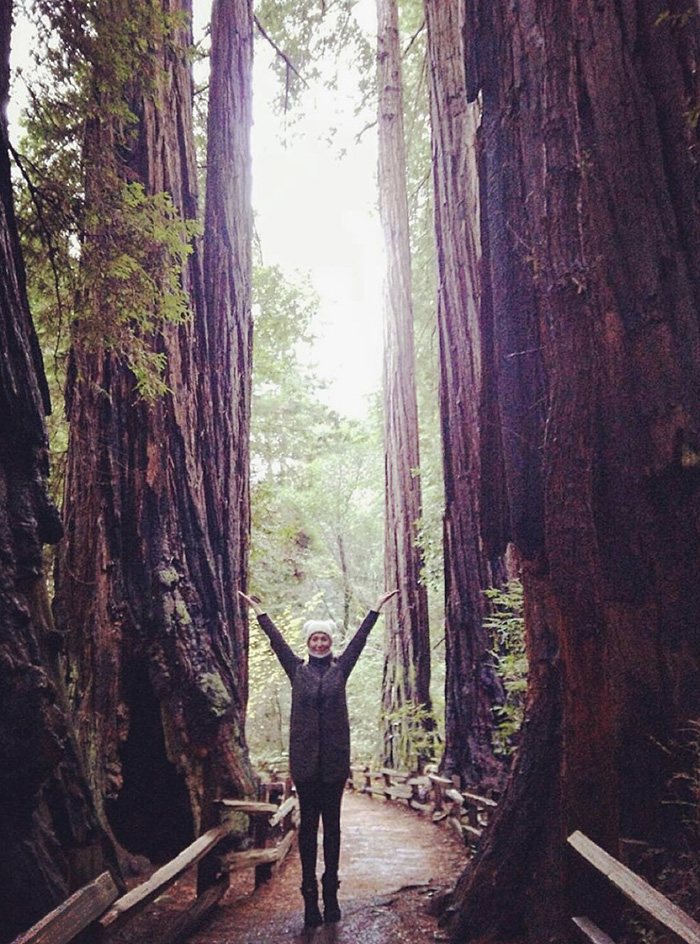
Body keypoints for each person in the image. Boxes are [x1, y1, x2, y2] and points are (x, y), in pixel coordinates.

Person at [238, 588, 398, 928]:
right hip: (306, 766)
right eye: (315, 638)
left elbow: (360, 640)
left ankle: (331, 890)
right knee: (308, 829)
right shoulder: (297, 671)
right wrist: (260, 614)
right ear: (309, 642)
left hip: (335, 766)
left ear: (330, 642)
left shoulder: (341, 670)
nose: (320, 643)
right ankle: (309, 894)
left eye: (325, 639)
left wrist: (375, 609)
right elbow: (278, 643)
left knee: (334, 829)